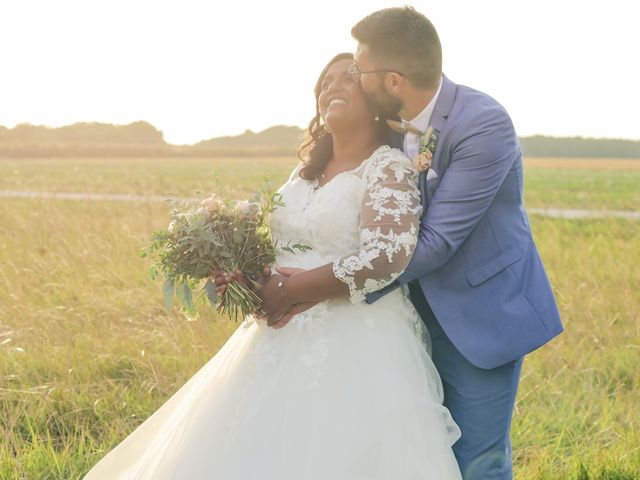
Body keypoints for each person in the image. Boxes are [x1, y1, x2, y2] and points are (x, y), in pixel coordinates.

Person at [83, 53, 463, 479]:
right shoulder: (302, 173)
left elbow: (386, 257)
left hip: (358, 339)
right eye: (325, 81)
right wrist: (247, 277)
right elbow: (285, 247)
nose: (332, 87)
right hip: (276, 335)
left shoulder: (388, 167)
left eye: (348, 79)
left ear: (375, 97)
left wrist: (291, 291)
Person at [263, 8, 564, 480]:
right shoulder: (386, 125)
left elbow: (436, 242)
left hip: (476, 311)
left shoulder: (481, 123)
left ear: (394, 80)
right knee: (407, 451)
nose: (353, 78)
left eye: (360, 70)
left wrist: (318, 287)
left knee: (475, 460)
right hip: (396, 316)